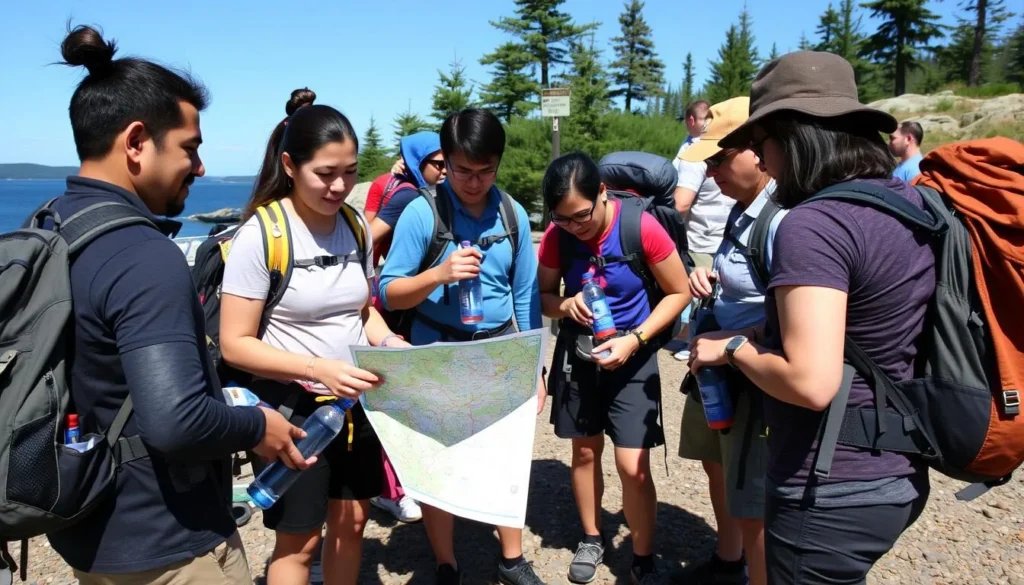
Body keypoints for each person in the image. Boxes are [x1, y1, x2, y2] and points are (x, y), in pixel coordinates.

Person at [45, 25, 309, 584]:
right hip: (170, 546)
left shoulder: (51, 226)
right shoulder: (143, 256)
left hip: (85, 523)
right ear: (137, 141)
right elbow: (176, 421)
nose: (201, 166)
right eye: (191, 147)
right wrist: (254, 423)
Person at [689, 51, 934, 584]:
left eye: (761, 145)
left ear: (792, 138)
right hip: (897, 465)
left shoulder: (815, 223)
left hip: (828, 485)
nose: (763, 161)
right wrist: (757, 332)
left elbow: (810, 381)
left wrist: (732, 348)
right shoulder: (903, 202)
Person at [219, 92, 410, 585]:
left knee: (353, 523)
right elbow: (234, 343)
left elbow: (361, 309)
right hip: (295, 412)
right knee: (299, 540)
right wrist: (315, 369)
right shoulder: (264, 234)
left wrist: (389, 342)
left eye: (349, 171)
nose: (340, 186)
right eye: (326, 173)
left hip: (356, 403)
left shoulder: (356, 228)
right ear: (289, 164)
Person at [378, 108, 543, 585]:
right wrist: (438, 274)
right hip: (435, 351)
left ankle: (511, 559)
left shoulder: (510, 212)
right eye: (463, 170)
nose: (475, 182)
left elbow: (527, 295)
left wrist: (536, 370)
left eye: (486, 170)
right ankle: (447, 564)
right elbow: (388, 290)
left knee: (505, 456)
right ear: (445, 162)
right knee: (438, 464)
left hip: (498, 352)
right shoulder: (421, 212)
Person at [537, 153, 690, 585]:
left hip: (632, 352)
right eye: (563, 219)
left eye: (582, 215)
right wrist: (566, 305)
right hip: (581, 354)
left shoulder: (639, 226)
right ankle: (591, 536)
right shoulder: (558, 236)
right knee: (584, 451)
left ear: (602, 193)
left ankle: (642, 554)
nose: (575, 226)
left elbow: (678, 292)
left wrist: (636, 339)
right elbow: (544, 296)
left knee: (631, 462)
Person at [676, 96, 785, 585]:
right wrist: (710, 282)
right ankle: (728, 559)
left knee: (754, 494)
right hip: (721, 367)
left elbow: (800, 322)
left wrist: (732, 340)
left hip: (753, 375)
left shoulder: (785, 220)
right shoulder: (742, 211)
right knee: (719, 466)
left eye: (719, 159)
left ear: (756, 151)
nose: (711, 172)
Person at [672, 100, 736, 362]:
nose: (711, 169)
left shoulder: (695, 154)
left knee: (700, 296)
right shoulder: (707, 149)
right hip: (723, 236)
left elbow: (681, 202)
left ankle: (695, 343)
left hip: (699, 238)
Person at [369, 131, 447, 267]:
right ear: (419, 163)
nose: (445, 170)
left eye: (448, 163)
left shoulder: (425, 190)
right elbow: (368, 238)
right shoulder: (409, 195)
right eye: (440, 164)